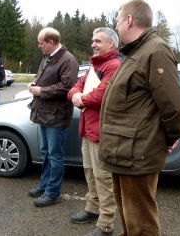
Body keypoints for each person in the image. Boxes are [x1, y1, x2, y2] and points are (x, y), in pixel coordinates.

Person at [99, 0, 180, 236]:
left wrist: (168, 138)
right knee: (130, 220)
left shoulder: (155, 52)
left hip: (137, 152)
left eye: (117, 20)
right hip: (124, 150)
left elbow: (174, 107)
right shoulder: (136, 52)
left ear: (129, 20)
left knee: (142, 224)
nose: (116, 26)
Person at [67, 28, 121, 236]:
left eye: (98, 41)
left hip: (102, 131)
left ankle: (106, 223)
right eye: (92, 40)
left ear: (111, 44)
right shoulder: (94, 65)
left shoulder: (113, 66)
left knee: (103, 177)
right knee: (90, 172)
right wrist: (75, 95)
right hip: (88, 128)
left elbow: (101, 96)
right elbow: (76, 86)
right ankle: (92, 209)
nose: (93, 44)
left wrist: (80, 98)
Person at [27, 27, 78, 207]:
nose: (39, 46)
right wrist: (35, 82)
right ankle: (45, 185)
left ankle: (52, 192)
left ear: (51, 42)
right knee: (46, 153)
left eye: (41, 43)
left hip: (56, 116)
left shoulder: (68, 60)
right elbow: (44, 78)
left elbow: (67, 87)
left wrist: (41, 91)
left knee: (55, 155)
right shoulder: (48, 58)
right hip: (45, 114)